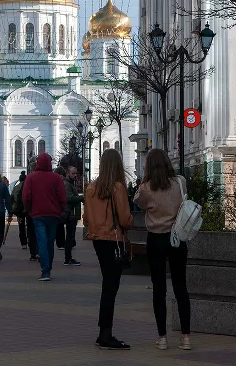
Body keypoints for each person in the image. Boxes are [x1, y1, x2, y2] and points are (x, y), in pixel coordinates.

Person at [133, 148, 191, 351]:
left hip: (156, 239)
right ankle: (185, 337)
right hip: (177, 238)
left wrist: (143, 181)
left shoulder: (147, 188)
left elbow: (137, 202)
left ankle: (163, 337)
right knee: (180, 286)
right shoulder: (180, 182)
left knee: (159, 288)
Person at [84, 148, 133, 350]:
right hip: (113, 240)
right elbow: (124, 219)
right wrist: (129, 221)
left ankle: (103, 331)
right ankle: (105, 333)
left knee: (108, 284)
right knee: (111, 287)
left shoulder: (90, 188)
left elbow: (86, 219)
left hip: (97, 239)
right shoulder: (118, 188)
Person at [22, 152, 66, 281]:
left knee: (41, 241)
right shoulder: (57, 178)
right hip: (53, 215)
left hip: (38, 214)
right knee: (50, 242)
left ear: (37, 163)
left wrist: (29, 210)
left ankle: (45, 270)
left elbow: (26, 197)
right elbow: (62, 198)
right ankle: (48, 268)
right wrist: (60, 210)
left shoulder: (31, 178)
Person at [61, 166, 83, 266]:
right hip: (69, 213)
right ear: (67, 173)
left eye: (75, 173)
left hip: (71, 213)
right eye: (73, 173)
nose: (75, 175)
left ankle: (68, 257)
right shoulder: (66, 184)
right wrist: (81, 197)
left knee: (70, 236)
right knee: (70, 236)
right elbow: (69, 198)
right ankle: (68, 258)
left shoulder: (69, 183)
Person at [11, 171, 29, 250]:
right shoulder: (28, 186)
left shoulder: (16, 187)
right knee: (30, 225)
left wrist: (11, 211)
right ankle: (30, 240)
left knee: (21, 227)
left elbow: (12, 198)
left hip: (19, 209)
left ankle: (23, 243)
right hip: (28, 208)